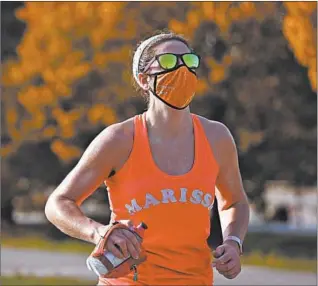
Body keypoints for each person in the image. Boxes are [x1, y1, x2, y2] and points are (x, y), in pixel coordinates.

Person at [45, 31, 250, 285]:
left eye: (190, 61)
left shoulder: (217, 137)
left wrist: (233, 242)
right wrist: (98, 232)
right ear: (143, 79)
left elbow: (234, 202)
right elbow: (58, 203)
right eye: (168, 62)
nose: (182, 68)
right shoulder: (119, 140)